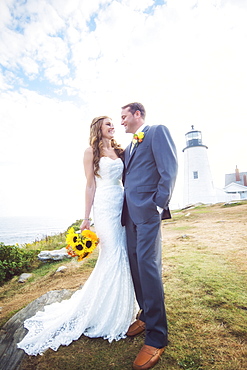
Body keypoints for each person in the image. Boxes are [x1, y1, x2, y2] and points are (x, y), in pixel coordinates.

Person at [17, 116, 137, 356]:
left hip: (121, 204)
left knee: (122, 252)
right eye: (108, 125)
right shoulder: (90, 152)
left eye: (114, 124)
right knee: (112, 254)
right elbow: (90, 185)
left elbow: (128, 179)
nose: (113, 127)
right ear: (98, 129)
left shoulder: (119, 150)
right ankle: (103, 311)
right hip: (103, 207)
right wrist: (85, 218)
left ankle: (122, 306)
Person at [121, 102, 178, 370]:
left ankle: (157, 336)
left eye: (124, 117)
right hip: (129, 215)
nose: (121, 122)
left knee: (148, 266)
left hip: (147, 212)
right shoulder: (130, 146)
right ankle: (146, 313)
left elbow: (169, 168)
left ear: (137, 114)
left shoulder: (156, 131)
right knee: (135, 264)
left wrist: (158, 203)